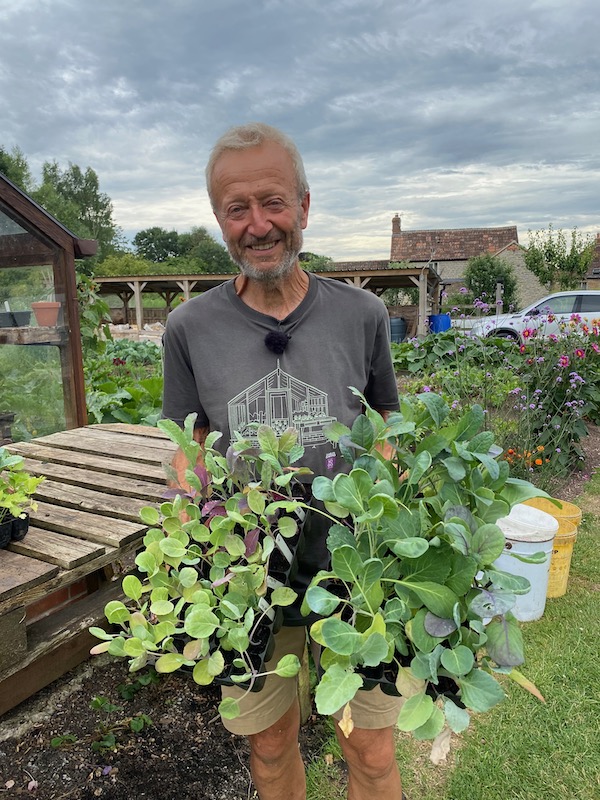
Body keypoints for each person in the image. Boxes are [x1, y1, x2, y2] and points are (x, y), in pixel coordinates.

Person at [161, 122, 405, 800]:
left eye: (272, 202)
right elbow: (189, 442)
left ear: (304, 205)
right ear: (219, 219)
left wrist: (391, 485)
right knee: (269, 749)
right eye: (236, 209)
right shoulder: (189, 329)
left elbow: (386, 417)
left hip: (354, 570)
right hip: (250, 575)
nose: (257, 224)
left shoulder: (361, 313)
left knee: (374, 750)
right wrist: (199, 507)